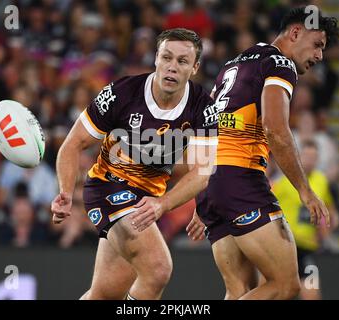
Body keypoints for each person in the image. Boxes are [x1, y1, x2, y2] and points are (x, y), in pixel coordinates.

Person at [51, 28, 218, 300]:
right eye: (167, 57)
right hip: (108, 187)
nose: (172, 67)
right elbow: (73, 143)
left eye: (182, 61)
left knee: (105, 295)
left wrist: (189, 204)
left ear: (195, 67)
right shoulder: (122, 93)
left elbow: (202, 171)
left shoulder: (203, 107)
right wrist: (67, 192)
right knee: (158, 269)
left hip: (148, 199)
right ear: (156, 58)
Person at [187, 7, 339, 300]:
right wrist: (305, 190)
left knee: (239, 290)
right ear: (296, 32)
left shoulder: (236, 63)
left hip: (213, 183)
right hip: (241, 179)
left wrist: (202, 187)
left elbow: (207, 126)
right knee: (286, 285)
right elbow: (276, 131)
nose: (320, 56)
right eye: (318, 45)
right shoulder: (280, 65)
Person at [272, 140, 339, 300]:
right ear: (299, 156)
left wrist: (332, 219)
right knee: (275, 289)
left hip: (307, 247)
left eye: (313, 157)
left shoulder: (321, 180)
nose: (310, 160)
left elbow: (328, 206)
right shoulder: (283, 180)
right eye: (307, 156)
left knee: (312, 291)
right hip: (286, 245)